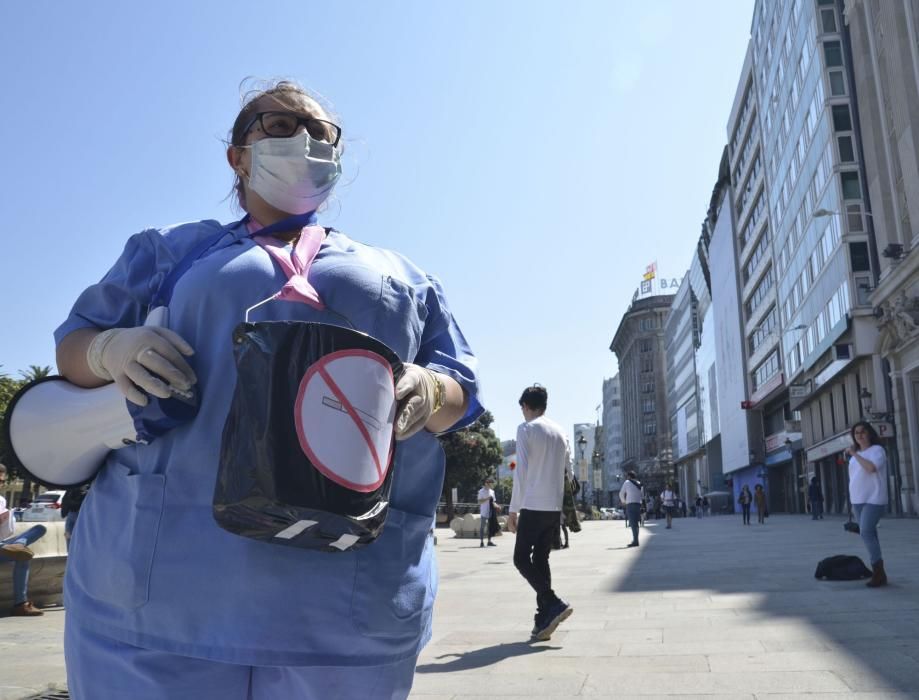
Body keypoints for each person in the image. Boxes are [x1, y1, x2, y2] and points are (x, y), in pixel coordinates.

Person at [53, 79, 482, 698]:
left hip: (346, 605)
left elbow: (463, 392)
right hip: (162, 596)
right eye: (279, 126)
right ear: (237, 155)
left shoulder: (405, 278)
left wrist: (430, 390)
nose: (303, 140)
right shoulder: (168, 252)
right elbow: (73, 348)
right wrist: (106, 348)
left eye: (320, 133)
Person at [509, 385, 573, 641]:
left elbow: (521, 471)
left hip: (533, 504)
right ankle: (543, 617)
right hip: (553, 506)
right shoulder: (560, 431)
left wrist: (513, 510)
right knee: (540, 559)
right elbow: (568, 472)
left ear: (525, 406)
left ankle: (552, 602)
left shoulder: (526, 429)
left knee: (521, 558)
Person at [846, 421, 889, 587]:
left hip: (874, 498)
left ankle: (878, 572)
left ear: (870, 433)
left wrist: (854, 454)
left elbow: (871, 468)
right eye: (856, 433)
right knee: (871, 534)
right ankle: (880, 574)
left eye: (863, 432)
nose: (860, 435)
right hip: (858, 500)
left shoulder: (877, 451)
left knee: (865, 532)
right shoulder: (854, 456)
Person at [0, 465, 47, 616]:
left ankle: (17, 545)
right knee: (23, 556)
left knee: (40, 529)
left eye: (1, 481)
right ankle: (21, 603)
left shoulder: (1, 500)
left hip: (3, 544)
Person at [619, 471, 643, 547]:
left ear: (629, 476)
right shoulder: (639, 483)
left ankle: (635, 541)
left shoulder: (627, 482)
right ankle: (636, 540)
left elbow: (621, 493)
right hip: (638, 504)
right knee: (637, 523)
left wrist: (624, 501)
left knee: (633, 523)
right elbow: (642, 495)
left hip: (630, 504)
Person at [477, 477, 497, 547]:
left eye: (491, 484)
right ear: (486, 483)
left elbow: (493, 502)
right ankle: (481, 542)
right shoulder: (481, 491)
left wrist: (497, 506)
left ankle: (489, 541)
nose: (491, 485)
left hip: (490, 511)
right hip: (484, 511)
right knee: (482, 527)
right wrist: (487, 499)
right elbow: (479, 501)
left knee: (490, 527)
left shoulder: (492, 492)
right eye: (490, 484)